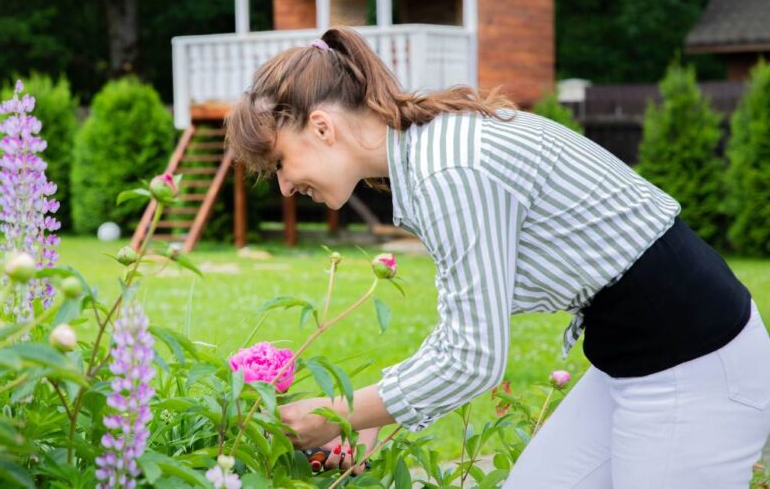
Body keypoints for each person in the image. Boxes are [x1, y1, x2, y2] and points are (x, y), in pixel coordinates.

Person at [223, 25, 770, 486]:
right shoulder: (429, 157)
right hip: (634, 360)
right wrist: (367, 418)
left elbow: (473, 361)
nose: (287, 187)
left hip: (697, 365)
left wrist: (334, 415)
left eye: (278, 164)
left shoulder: (448, 170)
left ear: (321, 127)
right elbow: (464, 325)